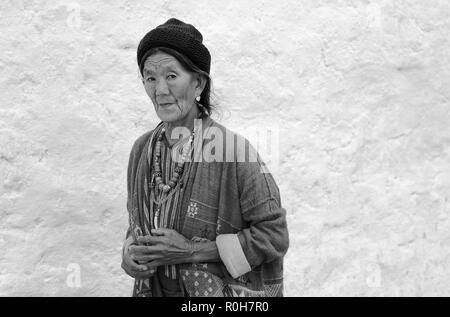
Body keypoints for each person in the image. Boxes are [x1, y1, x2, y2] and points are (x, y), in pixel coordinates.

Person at [121, 18, 289, 297]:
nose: (160, 90)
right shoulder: (142, 150)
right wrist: (130, 253)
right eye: (150, 78)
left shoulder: (234, 151)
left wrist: (189, 251)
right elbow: (139, 222)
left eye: (171, 76)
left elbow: (274, 236)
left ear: (198, 83)